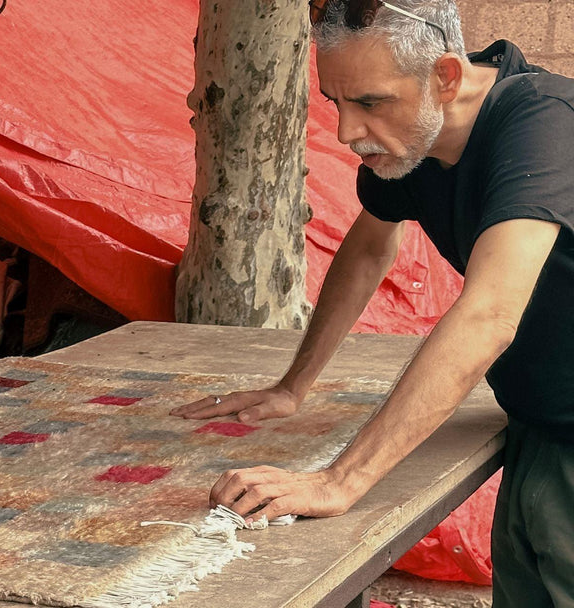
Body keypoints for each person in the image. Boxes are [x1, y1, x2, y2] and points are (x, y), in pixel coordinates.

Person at [170, 0, 574, 604]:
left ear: (446, 78)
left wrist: (342, 480)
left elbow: (491, 313)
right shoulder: (418, 140)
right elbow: (366, 253)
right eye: (336, 101)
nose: (346, 131)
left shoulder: (546, 124)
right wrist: (292, 386)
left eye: (370, 102)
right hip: (540, 415)